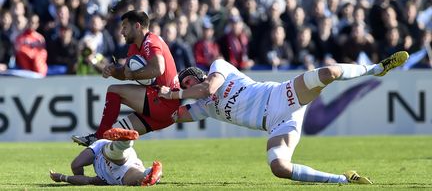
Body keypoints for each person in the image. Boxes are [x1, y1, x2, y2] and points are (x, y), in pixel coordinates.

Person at [157, 51, 410, 184]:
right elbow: (169, 115)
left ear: (195, 75)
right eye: (183, 86)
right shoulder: (202, 108)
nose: (185, 90)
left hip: (282, 96)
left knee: (329, 72)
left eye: (187, 82)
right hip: (279, 124)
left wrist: (173, 93)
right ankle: (343, 179)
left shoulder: (218, 68)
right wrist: (149, 94)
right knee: (279, 168)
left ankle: (375, 69)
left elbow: (209, 89)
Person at [72, 10, 180, 146]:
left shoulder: (151, 41)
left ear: (137, 26)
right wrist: (113, 71)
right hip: (161, 110)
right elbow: (125, 74)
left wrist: (132, 74)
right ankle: (83, 160)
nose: (121, 32)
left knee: (113, 90)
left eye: (125, 27)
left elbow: (158, 69)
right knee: (110, 137)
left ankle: (97, 136)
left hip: (165, 102)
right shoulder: (134, 47)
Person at [50, 128, 162, 186]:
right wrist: (65, 178)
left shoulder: (100, 178)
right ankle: (152, 173)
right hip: (125, 172)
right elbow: (87, 180)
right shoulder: (100, 180)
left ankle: (124, 141)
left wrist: (62, 178)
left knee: (113, 154)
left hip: (106, 152)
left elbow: (85, 178)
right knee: (141, 180)